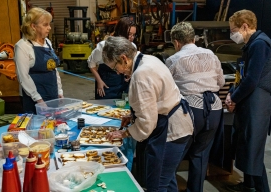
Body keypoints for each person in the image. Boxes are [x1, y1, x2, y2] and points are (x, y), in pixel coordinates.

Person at [103, 36, 194, 191]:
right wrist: (133, 116)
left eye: (114, 67)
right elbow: (155, 100)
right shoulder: (148, 59)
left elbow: (147, 122)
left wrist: (125, 133)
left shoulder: (141, 74)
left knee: (157, 184)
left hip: (171, 130)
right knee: (168, 178)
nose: (117, 72)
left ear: (124, 59)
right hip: (179, 122)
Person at [165, 22, 225, 192]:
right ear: (193, 38)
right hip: (214, 109)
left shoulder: (174, 59)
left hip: (190, 110)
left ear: (176, 42)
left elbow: (166, 87)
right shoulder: (211, 54)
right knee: (200, 155)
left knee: (174, 155)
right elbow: (220, 82)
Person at [225, 9, 271, 192]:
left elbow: (252, 79)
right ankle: (249, 184)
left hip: (257, 104)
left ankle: (262, 189)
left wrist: (234, 98)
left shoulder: (260, 44)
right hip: (251, 102)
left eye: (233, 29)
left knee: (254, 150)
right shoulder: (253, 44)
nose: (232, 34)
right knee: (247, 146)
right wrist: (232, 92)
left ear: (245, 26)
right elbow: (243, 76)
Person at [14, 7, 63, 113]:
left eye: (49, 24)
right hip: (34, 99)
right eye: (45, 25)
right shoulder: (23, 46)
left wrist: (59, 91)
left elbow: (53, 69)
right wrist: (39, 100)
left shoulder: (48, 43)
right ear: (33, 26)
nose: (49, 28)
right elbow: (23, 77)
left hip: (52, 94)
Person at [87, 17, 136, 99]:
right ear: (121, 32)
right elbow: (91, 63)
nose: (132, 37)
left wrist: (129, 74)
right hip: (106, 83)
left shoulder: (132, 47)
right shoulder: (104, 46)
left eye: (134, 35)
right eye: (129, 34)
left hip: (124, 83)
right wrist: (99, 81)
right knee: (105, 108)